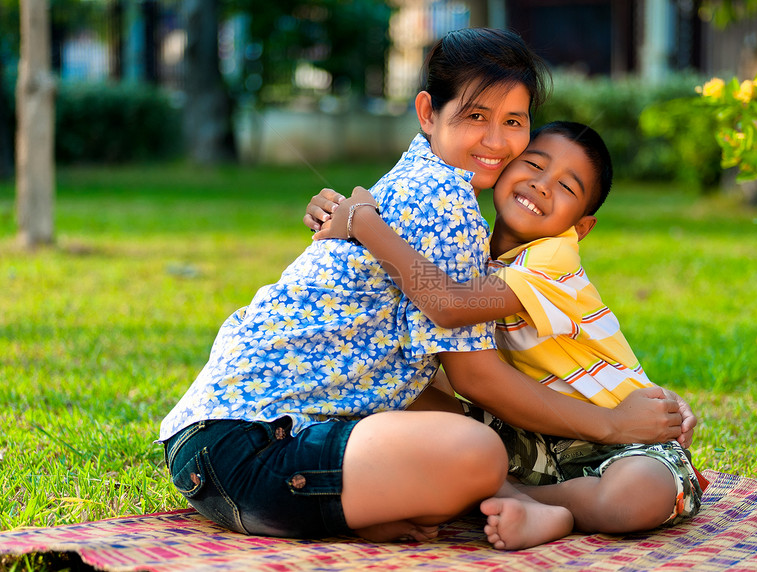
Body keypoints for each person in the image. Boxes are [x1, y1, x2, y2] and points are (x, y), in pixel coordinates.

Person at [160, 28, 685, 551]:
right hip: (257, 452)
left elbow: (448, 322)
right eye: (476, 117)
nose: (497, 142)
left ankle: (382, 507)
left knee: (444, 420)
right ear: (428, 112)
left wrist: (364, 221)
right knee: (476, 452)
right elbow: (470, 366)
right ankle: (509, 502)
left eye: (514, 123)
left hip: (212, 450)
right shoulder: (444, 202)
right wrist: (614, 425)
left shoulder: (425, 186)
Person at [310, 121, 706, 544]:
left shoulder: (553, 257)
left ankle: (527, 504)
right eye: (533, 164)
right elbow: (418, 319)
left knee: (635, 496)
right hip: (523, 432)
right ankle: (517, 502)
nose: (541, 185)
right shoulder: (466, 243)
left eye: (567, 188)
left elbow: (450, 304)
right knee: (390, 390)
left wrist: (363, 223)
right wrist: (332, 214)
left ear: (581, 227)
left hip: (623, 434)